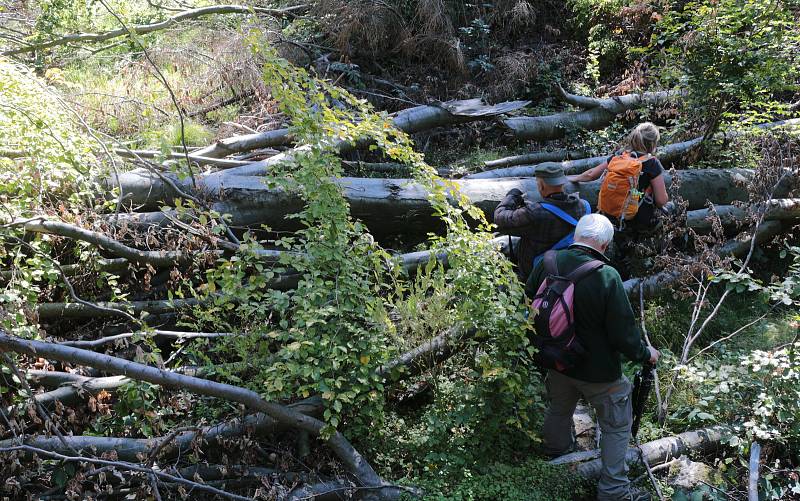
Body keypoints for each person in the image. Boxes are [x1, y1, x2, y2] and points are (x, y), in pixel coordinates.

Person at [525, 214, 660, 501]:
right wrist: (645, 353)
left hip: (556, 361)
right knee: (616, 427)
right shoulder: (606, 275)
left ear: (577, 234)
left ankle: (556, 456)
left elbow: (527, 304)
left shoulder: (547, 262)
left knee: (559, 409)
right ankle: (613, 492)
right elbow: (623, 334)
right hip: (600, 374)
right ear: (606, 243)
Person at [568, 122, 671, 278]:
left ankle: (619, 268)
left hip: (609, 215)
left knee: (622, 252)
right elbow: (662, 200)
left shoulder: (619, 156)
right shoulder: (652, 163)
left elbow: (591, 175)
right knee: (674, 210)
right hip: (638, 220)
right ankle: (667, 259)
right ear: (652, 143)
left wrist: (572, 179)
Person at [494, 163, 590, 280]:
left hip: (536, 275)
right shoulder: (584, 207)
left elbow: (500, 218)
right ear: (562, 182)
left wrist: (512, 196)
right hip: (570, 270)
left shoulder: (535, 213)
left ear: (541, 186)